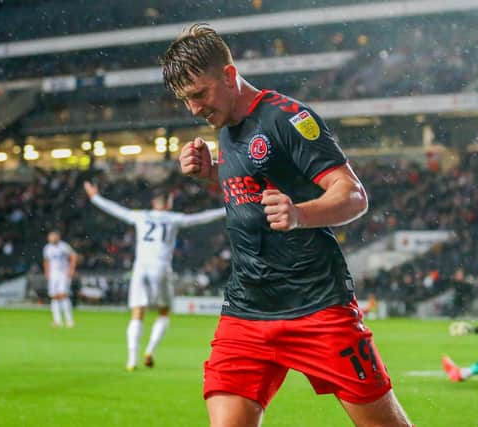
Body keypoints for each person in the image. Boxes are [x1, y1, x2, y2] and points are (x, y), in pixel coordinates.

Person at [163, 24, 412, 427]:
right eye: (185, 100)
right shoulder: (226, 129)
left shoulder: (287, 117)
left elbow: (353, 194)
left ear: (228, 76)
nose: (194, 109)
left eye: (198, 95)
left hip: (316, 305)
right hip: (246, 308)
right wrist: (213, 175)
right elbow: (256, 192)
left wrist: (300, 214)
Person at [83, 181, 225, 371]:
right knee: (164, 312)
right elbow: (201, 218)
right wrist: (227, 209)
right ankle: (149, 351)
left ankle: (131, 360)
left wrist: (95, 197)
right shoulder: (174, 218)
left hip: (140, 267)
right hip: (161, 268)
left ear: (153, 203)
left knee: (137, 313)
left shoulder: (140, 216)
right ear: (169, 203)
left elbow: (116, 210)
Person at [43, 231, 77, 328]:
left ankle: (69, 320)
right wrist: (47, 272)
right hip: (53, 275)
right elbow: (46, 261)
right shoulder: (47, 248)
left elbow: (73, 256)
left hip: (63, 274)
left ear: (58, 237)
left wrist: (71, 270)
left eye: (53, 237)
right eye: (50, 237)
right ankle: (57, 321)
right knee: (54, 296)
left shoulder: (64, 246)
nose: (51, 239)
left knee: (63, 295)